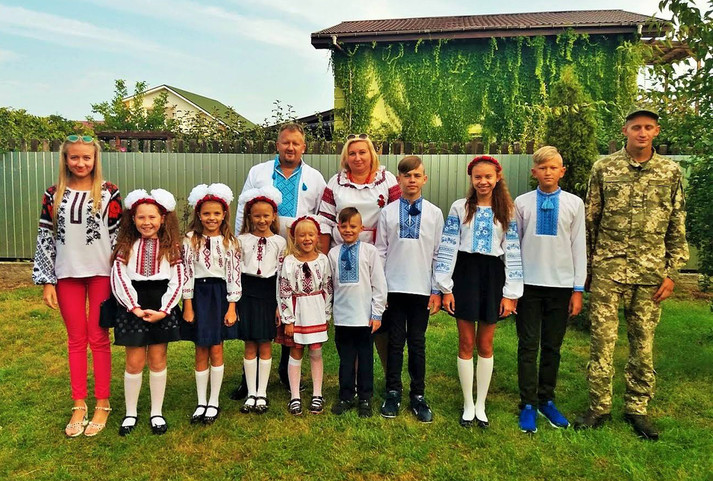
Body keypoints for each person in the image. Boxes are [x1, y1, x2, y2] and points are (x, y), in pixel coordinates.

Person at [575, 108, 688, 440]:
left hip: (650, 273)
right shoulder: (604, 168)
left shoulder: (670, 171)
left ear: (656, 132)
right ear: (625, 130)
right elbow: (590, 220)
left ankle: (637, 408)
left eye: (648, 127)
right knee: (602, 342)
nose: (642, 132)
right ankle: (598, 406)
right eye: (636, 127)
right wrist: (587, 269)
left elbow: (677, 222)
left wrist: (671, 273)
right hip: (608, 270)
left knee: (643, 344)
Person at [33, 134, 122, 437]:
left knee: (98, 338)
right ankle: (79, 403)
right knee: (75, 340)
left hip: (101, 274)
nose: (81, 163)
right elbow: (45, 237)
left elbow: (118, 237)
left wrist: (120, 277)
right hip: (66, 274)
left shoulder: (109, 192)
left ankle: (103, 402)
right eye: (74, 157)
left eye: (87, 157)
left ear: (95, 159)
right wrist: (47, 281)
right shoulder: (52, 194)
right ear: (65, 159)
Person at [233, 123, 327, 397]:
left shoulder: (315, 178)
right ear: (277, 145)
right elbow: (243, 209)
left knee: (290, 310)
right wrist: (240, 242)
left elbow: (321, 217)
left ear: (304, 147)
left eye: (296, 143)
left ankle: (287, 371)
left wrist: (314, 252)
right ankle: (248, 379)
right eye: (286, 142)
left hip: (296, 254)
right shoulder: (258, 172)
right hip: (261, 252)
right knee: (257, 312)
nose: (290, 148)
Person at [435, 155, 523, 428]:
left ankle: (481, 404)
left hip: (493, 277)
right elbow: (448, 246)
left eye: (488, 176)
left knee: (485, 343)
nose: (483, 181)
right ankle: (467, 403)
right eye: (477, 177)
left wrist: (510, 293)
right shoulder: (459, 207)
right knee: (465, 342)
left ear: (497, 178)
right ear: (471, 179)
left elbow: (512, 251)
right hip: (465, 276)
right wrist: (445, 287)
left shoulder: (507, 210)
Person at [514, 146, 586, 433]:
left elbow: (578, 246)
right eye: (542, 168)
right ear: (534, 172)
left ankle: (546, 399)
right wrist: (513, 285)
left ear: (562, 172)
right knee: (528, 345)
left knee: (552, 346)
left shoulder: (574, 204)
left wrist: (578, 289)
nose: (548, 172)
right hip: (529, 286)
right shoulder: (522, 203)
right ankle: (528, 403)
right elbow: (514, 245)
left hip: (561, 286)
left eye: (553, 168)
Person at [319, 134, 400, 369]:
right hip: (344, 256)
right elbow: (325, 222)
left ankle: (388, 374)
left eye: (362, 152)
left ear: (371, 154)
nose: (357, 157)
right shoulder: (336, 182)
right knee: (350, 318)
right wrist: (324, 259)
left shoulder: (386, 180)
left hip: (378, 255)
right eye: (352, 153)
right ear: (346, 157)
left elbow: (396, 218)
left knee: (381, 317)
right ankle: (351, 374)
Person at [375, 156, 443, 423]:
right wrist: (380, 290)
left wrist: (436, 290)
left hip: (421, 289)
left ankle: (418, 394)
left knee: (417, 343)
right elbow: (381, 252)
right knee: (394, 342)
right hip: (393, 288)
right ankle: (393, 392)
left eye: (417, 175)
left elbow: (439, 254)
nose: (412, 180)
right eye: (407, 176)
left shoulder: (435, 214)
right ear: (399, 179)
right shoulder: (388, 213)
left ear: (424, 179)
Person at [111, 188, 183, 436]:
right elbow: (119, 276)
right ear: (133, 219)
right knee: (134, 362)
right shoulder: (125, 246)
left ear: (162, 218)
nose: (147, 222)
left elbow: (178, 280)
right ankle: (130, 413)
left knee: (158, 359)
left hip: (160, 304)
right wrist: (133, 306)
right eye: (141, 217)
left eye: (152, 217)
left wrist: (165, 309)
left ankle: (156, 412)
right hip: (133, 306)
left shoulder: (171, 247)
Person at [182, 183, 241, 425]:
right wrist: (188, 304)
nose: (211, 218)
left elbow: (234, 275)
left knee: (216, 348)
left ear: (224, 214)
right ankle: (201, 401)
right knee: (200, 349)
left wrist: (232, 306)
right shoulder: (189, 240)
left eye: (216, 213)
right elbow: (186, 272)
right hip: (198, 295)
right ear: (198, 214)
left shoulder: (230, 242)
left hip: (219, 296)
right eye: (206, 213)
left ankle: (213, 401)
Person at [328, 207, 388, 418]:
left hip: (364, 318)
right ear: (338, 227)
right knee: (345, 360)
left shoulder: (370, 251)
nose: (348, 230)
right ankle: (345, 396)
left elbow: (379, 284)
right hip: (342, 317)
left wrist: (377, 313)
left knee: (365, 360)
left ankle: (365, 398)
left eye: (353, 226)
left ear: (361, 228)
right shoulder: (333, 253)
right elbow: (330, 286)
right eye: (344, 226)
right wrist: (328, 312)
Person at [235, 186, 286, 414]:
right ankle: (251, 393)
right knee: (249, 343)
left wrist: (279, 305)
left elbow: (282, 276)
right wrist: (235, 302)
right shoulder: (241, 240)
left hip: (268, 294)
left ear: (274, 216)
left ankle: (262, 393)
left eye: (266, 215)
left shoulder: (280, 242)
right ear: (249, 216)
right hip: (247, 293)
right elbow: (235, 272)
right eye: (257, 216)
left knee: (265, 343)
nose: (262, 220)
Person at [277, 216, 333, 416]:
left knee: (316, 352)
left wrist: (326, 314)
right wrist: (288, 320)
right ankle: (295, 396)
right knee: (296, 351)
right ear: (295, 237)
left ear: (317, 237)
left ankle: (317, 394)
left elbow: (328, 287)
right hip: (297, 310)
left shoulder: (323, 260)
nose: (307, 239)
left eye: (311, 234)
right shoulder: (289, 261)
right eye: (302, 235)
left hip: (316, 310)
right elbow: (284, 289)